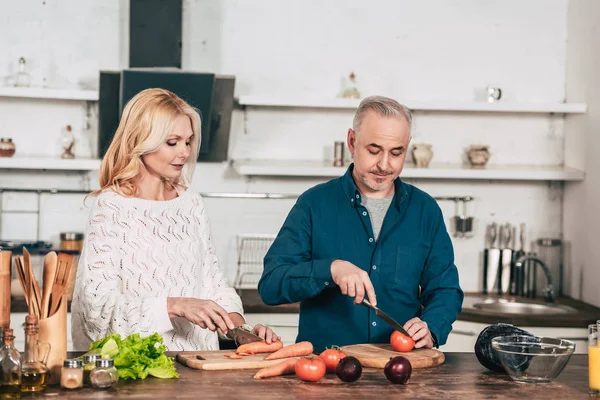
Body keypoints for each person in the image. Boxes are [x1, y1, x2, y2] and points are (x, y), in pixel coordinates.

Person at [72, 88, 278, 351]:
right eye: (173, 142)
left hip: (199, 364)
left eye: (188, 141)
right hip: (138, 368)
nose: (184, 152)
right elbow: (97, 310)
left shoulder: (190, 202)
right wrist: (175, 306)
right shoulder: (112, 207)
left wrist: (240, 330)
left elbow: (213, 283)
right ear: (140, 140)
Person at [258, 95, 463, 353]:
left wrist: (431, 326)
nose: (384, 164)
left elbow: (445, 289)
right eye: (374, 150)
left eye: (396, 152)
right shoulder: (313, 204)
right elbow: (271, 285)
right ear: (352, 142)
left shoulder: (425, 211)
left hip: (402, 370)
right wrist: (329, 269)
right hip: (326, 370)